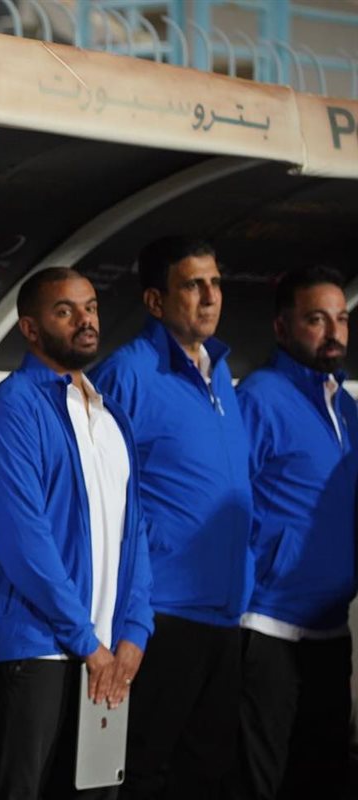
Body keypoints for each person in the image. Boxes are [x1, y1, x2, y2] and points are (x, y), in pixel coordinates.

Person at [0, 267, 153, 800]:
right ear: (30, 328)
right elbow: (24, 543)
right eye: (65, 311)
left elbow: (135, 531)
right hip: (37, 651)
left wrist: (135, 632)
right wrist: (86, 642)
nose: (85, 320)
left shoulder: (110, 414)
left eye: (90, 307)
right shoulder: (12, 407)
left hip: (106, 655)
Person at [90, 237, 252, 799]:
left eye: (215, 284)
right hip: (161, 615)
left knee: (207, 776)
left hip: (224, 615)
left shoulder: (221, 374)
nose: (210, 297)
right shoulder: (127, 373)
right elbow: (105, 499)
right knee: (143, 771)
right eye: (193, 285)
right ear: (155, 301)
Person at [232, 265, 358, 799]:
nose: (334, 332)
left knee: (323, 780)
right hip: (268, 629)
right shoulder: (260, 397)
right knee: (262, 783)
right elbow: (230, 504)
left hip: (329, 631)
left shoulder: (346, 408)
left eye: (341, 319)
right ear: (282, 328)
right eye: (316, 319)